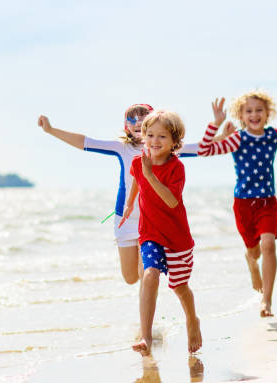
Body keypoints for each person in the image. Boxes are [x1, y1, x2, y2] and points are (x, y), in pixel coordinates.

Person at [197, 76, 277, 317]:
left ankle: (266, 301)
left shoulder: (273, 136)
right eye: (248, 111)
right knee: (255, 251)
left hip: (267, 202)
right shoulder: (236, 139)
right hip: (243, 204)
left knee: (268, 245)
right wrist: (215, 125)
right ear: (241, 116)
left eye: (259, 110)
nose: (254, 115)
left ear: (268, 114)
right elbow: (204, 150)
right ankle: (250, 261)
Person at [37, 105, 199, 287]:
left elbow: (202, 147)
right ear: (126, 126)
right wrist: (50, 130)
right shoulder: (122, 148)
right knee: (130, 278)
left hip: (152, 221)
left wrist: (226, 138)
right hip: (125, 218)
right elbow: (85, 142)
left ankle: (145, 314)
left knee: (147, 272)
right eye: (132, 118)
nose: (138, 121)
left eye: (143, 117)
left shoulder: (166, 147)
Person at [119, 110, 202, 355]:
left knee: (179, 286)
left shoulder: (177, 168)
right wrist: (129, 204)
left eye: (162, 137)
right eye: (150, 135)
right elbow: (136, 180)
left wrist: (149, 174)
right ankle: (146, 336)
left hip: (177, 239)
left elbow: (171, 201)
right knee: (150, 274)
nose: (154, 141)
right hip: (150, 233)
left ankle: (192, 320)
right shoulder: (139, 163)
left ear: (174, 142)